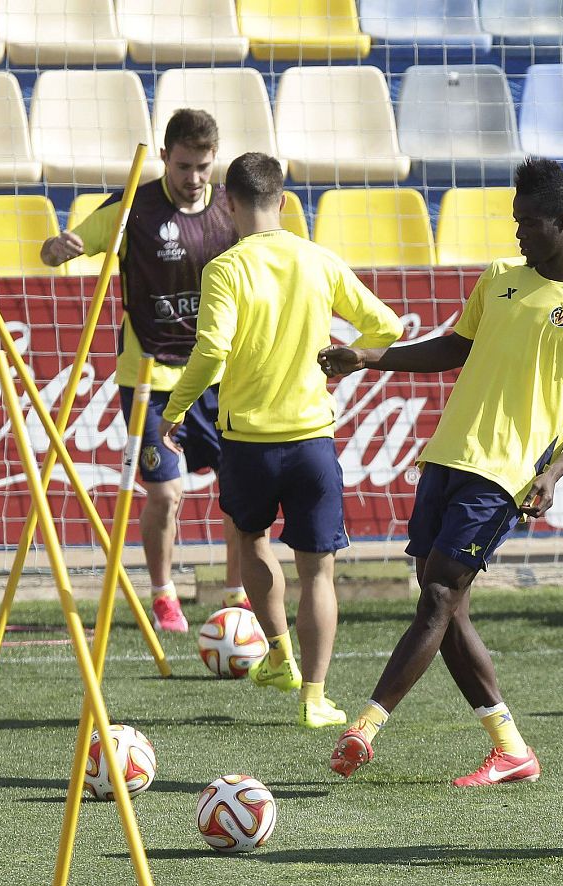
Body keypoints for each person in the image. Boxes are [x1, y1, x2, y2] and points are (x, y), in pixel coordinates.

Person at [319, 158, 563, 788]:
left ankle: (367, 726)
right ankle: (511, 747)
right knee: (448, 608)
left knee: (437, 598)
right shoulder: (498, 280)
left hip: (507, 474)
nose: (516, 234)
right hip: (446, 457)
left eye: (527, 223)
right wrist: (367, 357)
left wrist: (554, 472)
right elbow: (450, 348)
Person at [160, 152, 402, 728]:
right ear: (285, 201)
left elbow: (213, 350)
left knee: (250, 541)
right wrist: (346, 360)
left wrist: (175, 411)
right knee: (318, 571)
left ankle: (279, 655)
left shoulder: (224, 268)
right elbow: (387, 326)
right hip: (313, 439)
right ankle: (315, 699)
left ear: (229, 204)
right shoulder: (318, 260)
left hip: (247, 441)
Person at [41, 108, 247, 631]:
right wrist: (58, 248)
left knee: (241, 489)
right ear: (164, 158)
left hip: (219, 373)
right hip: (150, 375)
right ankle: (163, 594)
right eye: (183, 166)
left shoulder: (231, 209)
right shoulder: (134, 206)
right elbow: (55, 251)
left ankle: (236, 593)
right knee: (166, 493)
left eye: (202, 166)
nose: (193, 178)